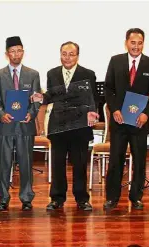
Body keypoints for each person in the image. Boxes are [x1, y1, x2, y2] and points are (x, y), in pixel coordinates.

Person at [31, 42, 97, 211]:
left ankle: (82, 199)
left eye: (71, 54)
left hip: (80, 125)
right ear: (60, 54)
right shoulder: (52, 73)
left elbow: (93, 98)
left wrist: (92, 112)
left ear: (77, 56)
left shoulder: (87, 74)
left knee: (80, 163)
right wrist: (42, 98)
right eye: (64, 54)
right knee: (58, 163)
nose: (67, 57)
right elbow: (52, 96)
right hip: (58, 125)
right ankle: (57, 198)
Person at [103, 28, 149, 210]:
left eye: (140, 42)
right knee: (115, 161)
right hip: (120, 121)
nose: (136, 46)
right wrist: (114, 110)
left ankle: (136, 196)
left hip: (139, 122)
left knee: (139, 160)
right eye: (133, 42)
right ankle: (112, 197)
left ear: (143, 43)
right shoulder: (116, 61)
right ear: (126, 42)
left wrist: (147, 114)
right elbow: (108, 89)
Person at [0, 36, 41, 211]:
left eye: (19, 50)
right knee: (4, 163)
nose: (16, 54)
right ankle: (3, 198)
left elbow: (37, 99)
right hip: (5, 125)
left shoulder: (33, 74)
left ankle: (26, 197)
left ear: (23, 52)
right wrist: (1, 114)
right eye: (12, 51)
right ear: (7, 54)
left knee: (26, 162)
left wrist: (31, 113)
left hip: (25, 125)